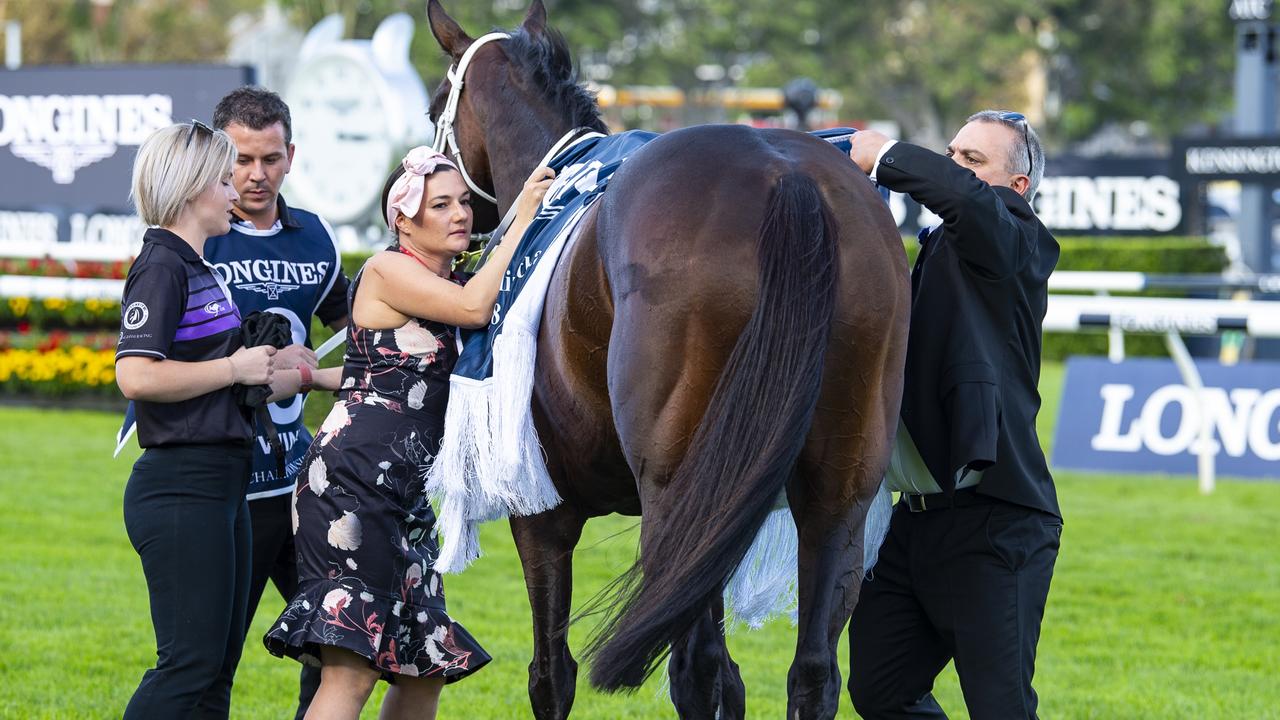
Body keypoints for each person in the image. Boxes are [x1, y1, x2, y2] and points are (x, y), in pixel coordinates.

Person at [264, 148, 556, 720]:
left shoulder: (448, 278)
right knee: (354, 671)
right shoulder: (387, 270)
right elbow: (474, 309)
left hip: (408, 498)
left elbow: (374, 367)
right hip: (350, 488)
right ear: (404, 219)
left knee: (421, 671)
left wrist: (306, 375)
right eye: (440, 204)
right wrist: (520, 214)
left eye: (465, 202)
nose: (460, 214)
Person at [845, 111, 1062, 719]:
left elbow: (969, 203)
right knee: (879, 692)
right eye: (953, 154)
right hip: (913, 523)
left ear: (1017, 188)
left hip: (999, 524)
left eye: (973, 161)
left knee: (1000, 709)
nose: (956, 168)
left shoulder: (1020, 235)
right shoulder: (943, 241)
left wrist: (887, 155)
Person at [116, 120, 304, 719]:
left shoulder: (199, 268)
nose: (235, 192)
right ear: (194, 186)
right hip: (181, 487)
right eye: (224, 179)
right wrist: (234, 370)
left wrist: (275, 369)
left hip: (222, 483)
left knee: (216, 671)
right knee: (188, 666)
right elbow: (137, 376)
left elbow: (220, 373)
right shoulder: (162, 267)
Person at [204, 86, 348, 719]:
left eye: (269, 158)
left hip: (300, 484)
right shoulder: (195, 235)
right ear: (216, 157)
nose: (255, 175)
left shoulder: (316, 239)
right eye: (240, 159)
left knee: (336, 647)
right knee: (208, 659)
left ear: (291, 155)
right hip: (224, 485)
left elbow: (363, 334)